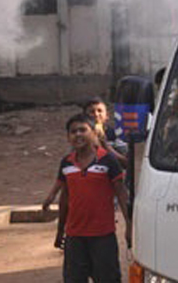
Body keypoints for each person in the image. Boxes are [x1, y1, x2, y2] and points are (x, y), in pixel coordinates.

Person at [55, 113, 131, 283]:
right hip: (74, 237)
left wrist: (129, 225)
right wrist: (60, 231)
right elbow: (65, 198)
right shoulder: (66, 163)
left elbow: (121, 192)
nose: (78, 134)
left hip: (102, 236)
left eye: (83, 130)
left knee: (108, 279)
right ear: (68, 137)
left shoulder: (108, 160)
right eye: (73, 131)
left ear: (94, 133)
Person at [85, 98, 128, 166]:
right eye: (92, 112)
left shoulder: (116, 134)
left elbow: (125, 162)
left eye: (99, 111)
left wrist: (105, 144)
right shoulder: (82, 135)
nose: (96, 114)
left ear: (107, 116)